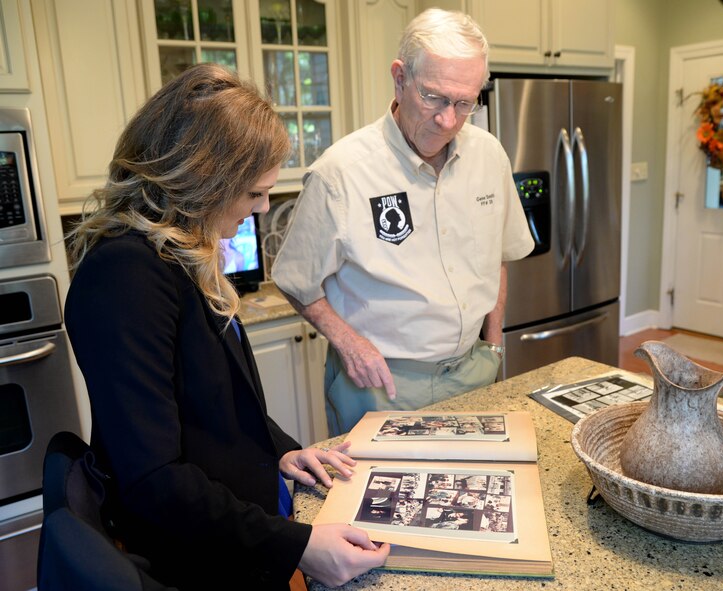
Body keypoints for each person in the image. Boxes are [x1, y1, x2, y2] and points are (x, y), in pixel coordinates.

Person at [64, 63, 389, 590]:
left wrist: (281, 448)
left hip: (235, 534)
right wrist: (299, 547)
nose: (262, 208)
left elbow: (219, 406)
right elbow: (154, 481)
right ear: (201, 179)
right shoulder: (124, 275)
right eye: (253, 194)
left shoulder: (179, 254)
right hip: (196, 561)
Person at [273, 8, 534, 436]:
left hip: (475, 369)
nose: (448, 119)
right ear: (400, 78)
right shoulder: (341, 172)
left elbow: (500, 254)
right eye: (434, 97)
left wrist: (494, 341)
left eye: (464, 102)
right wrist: (348, 344)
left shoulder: (490, 156)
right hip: (379, 384)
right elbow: (294, 278)